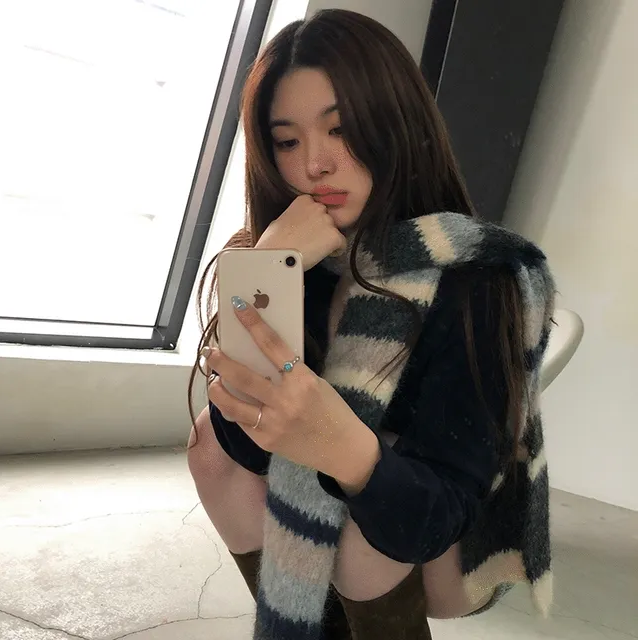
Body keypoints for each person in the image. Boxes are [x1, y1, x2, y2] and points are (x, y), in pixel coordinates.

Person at [186, 9, 555, 640]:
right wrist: (265, 272)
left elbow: (436, 512)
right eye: (287, 141)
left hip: (442, 526)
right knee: (211, 447)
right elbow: (246, 445)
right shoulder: (283, 255)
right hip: (353, 488)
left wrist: (343, 447)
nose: (315, 165)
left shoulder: (478, 278)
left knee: (362, 526)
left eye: (342, 129)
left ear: (397, 123)